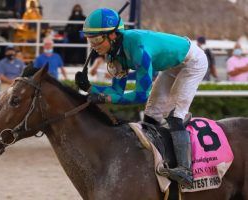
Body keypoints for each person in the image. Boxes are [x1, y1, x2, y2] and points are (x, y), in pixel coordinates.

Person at [75, 8, 208, 186]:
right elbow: (117, 92)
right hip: (171, 65)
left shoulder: (138, 48)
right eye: (89, 39)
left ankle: (185, 169)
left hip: (192, 62)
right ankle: (152, 156)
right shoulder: (113, 53)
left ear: (113, 35)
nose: (93, 45)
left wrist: (104, 99)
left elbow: (141, 95)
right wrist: (90, 88)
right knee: (152, 113)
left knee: (174, 115)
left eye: (97, 39)